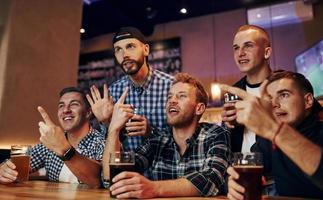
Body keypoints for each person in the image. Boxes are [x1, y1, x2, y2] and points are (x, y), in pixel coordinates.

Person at [104, 73, 231, 198]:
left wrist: (153, 188)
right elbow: (113, 177)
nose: (172, 101)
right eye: (169, 97)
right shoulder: (158, 138)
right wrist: (113, 129)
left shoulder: (215, 134)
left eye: (181, 96)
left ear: (199, 108)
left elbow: (211, 179)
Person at [221, 71, 323, 198]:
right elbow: (241, 168)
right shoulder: (268, 142)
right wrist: (232, 183)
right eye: (270, 98)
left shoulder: (276, 133)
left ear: (308, 100)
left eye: (284, 95)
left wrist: (275, 130)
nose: (274, 104)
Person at [87, 26, 174, 152]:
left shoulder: (170, 86)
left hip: (164, 170)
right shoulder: (114, 91)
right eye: (118, 50)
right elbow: (110, 150)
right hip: (128, 170)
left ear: (146, 49)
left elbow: (184, 140)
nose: (125, 55)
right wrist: (106, 122)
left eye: (130, 46)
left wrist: (151, 131)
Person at [0, 87, 105, 188]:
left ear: (88, 112)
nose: (66, 110)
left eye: (74, 104)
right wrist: (5, 169)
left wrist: (64, 149)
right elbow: (17, 167)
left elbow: (97, 181)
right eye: (61, 106)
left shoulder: (101, 141)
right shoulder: (51, 142)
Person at [221, 24, 272, 153]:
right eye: (236, 48)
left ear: (267, 52)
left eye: (248, 46)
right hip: (242, 168)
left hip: (277, 170)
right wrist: (228, 126)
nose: (240, 53)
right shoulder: (234, 91)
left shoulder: (286, 86)